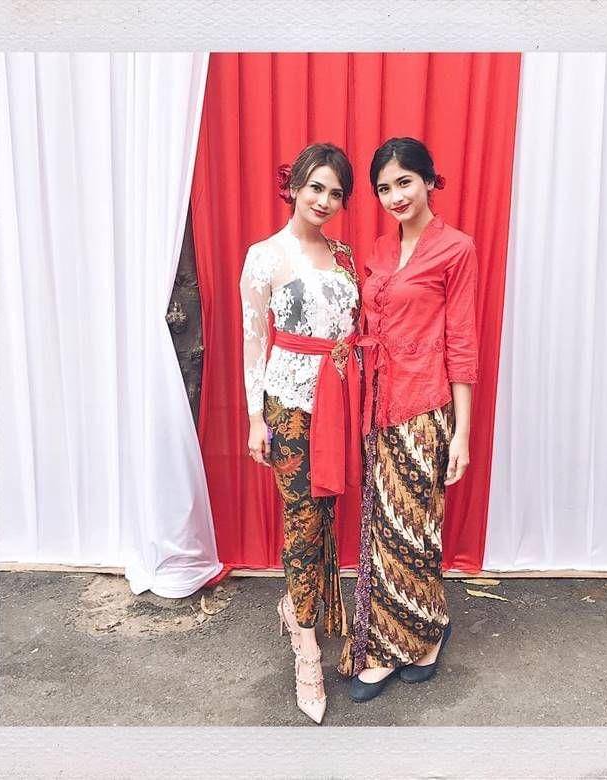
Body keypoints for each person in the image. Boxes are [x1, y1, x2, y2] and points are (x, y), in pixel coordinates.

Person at [338, 137, 479, 702]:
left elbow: (461, 341)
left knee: (414, 529)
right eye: (384, 188)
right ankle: (402, 637)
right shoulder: (376, 250)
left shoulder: (456, 249)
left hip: (425, 409)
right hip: (377, 406)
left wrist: (462, 433)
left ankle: (416, 639)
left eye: (404, 182)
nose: (395, 196)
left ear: (428, 180)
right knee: (383, 530)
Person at [240, 142, 362, 724]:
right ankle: (308, 650)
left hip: (340, 400)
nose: (324, 200)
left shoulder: (344, 256)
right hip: (289, 404)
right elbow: (253, 342)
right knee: (302, 520)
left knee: (327, 511)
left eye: (336, 193)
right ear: (294, 186)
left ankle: (297, 604)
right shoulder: (265, 256)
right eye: (316, 187)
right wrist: (254, 418)